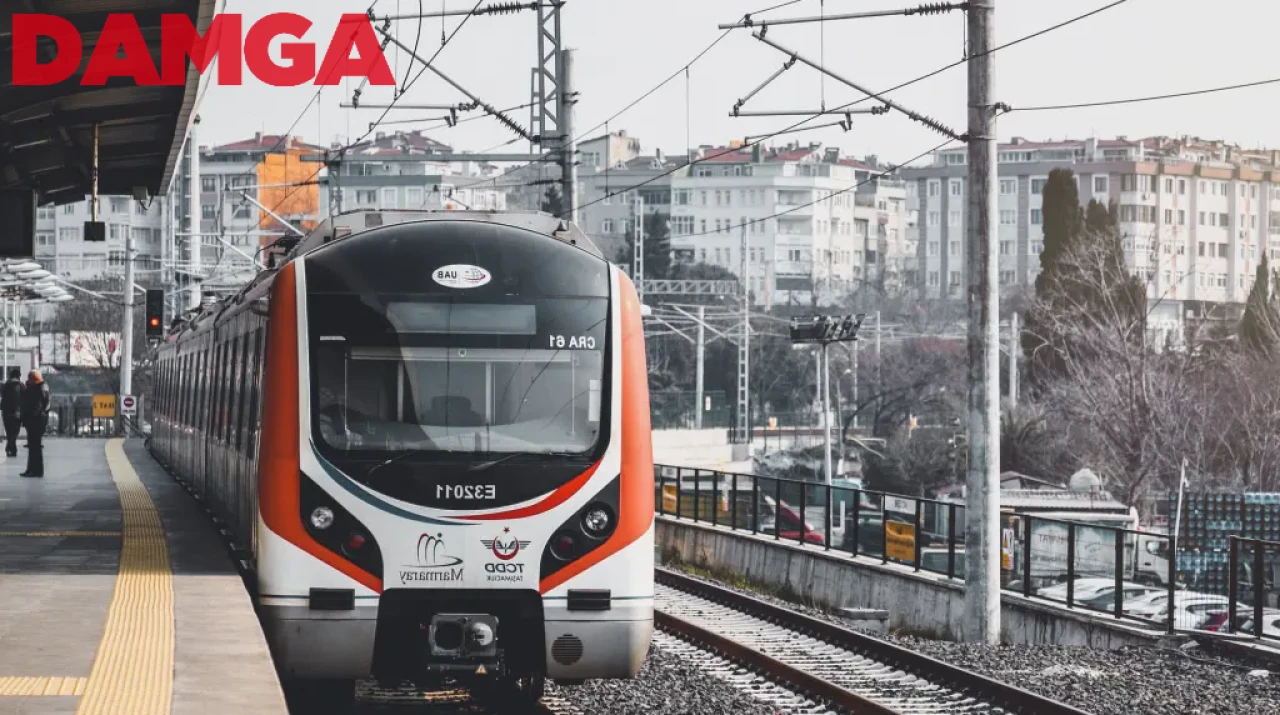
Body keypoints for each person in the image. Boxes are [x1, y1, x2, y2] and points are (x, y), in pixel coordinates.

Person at [20, 370, 49, 478]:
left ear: (35, 378)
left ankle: (37, 470)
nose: (28, 380)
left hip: (37, 421)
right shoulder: (34, 388)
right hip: (31, 420)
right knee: (32, 447)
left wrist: (34, 416)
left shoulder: (41, 387)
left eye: (30, 378)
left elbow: (41, 404)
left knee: (35, 447)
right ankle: (31, 469)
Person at [0, 368, 22, 457]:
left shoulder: (5, 386)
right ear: (18, 376)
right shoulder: (19, 386)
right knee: (15, 432)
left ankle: (12, 449)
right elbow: (20, 399)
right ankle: (10, 448)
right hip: (16, 411)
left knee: (9, 432)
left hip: (5, 412)